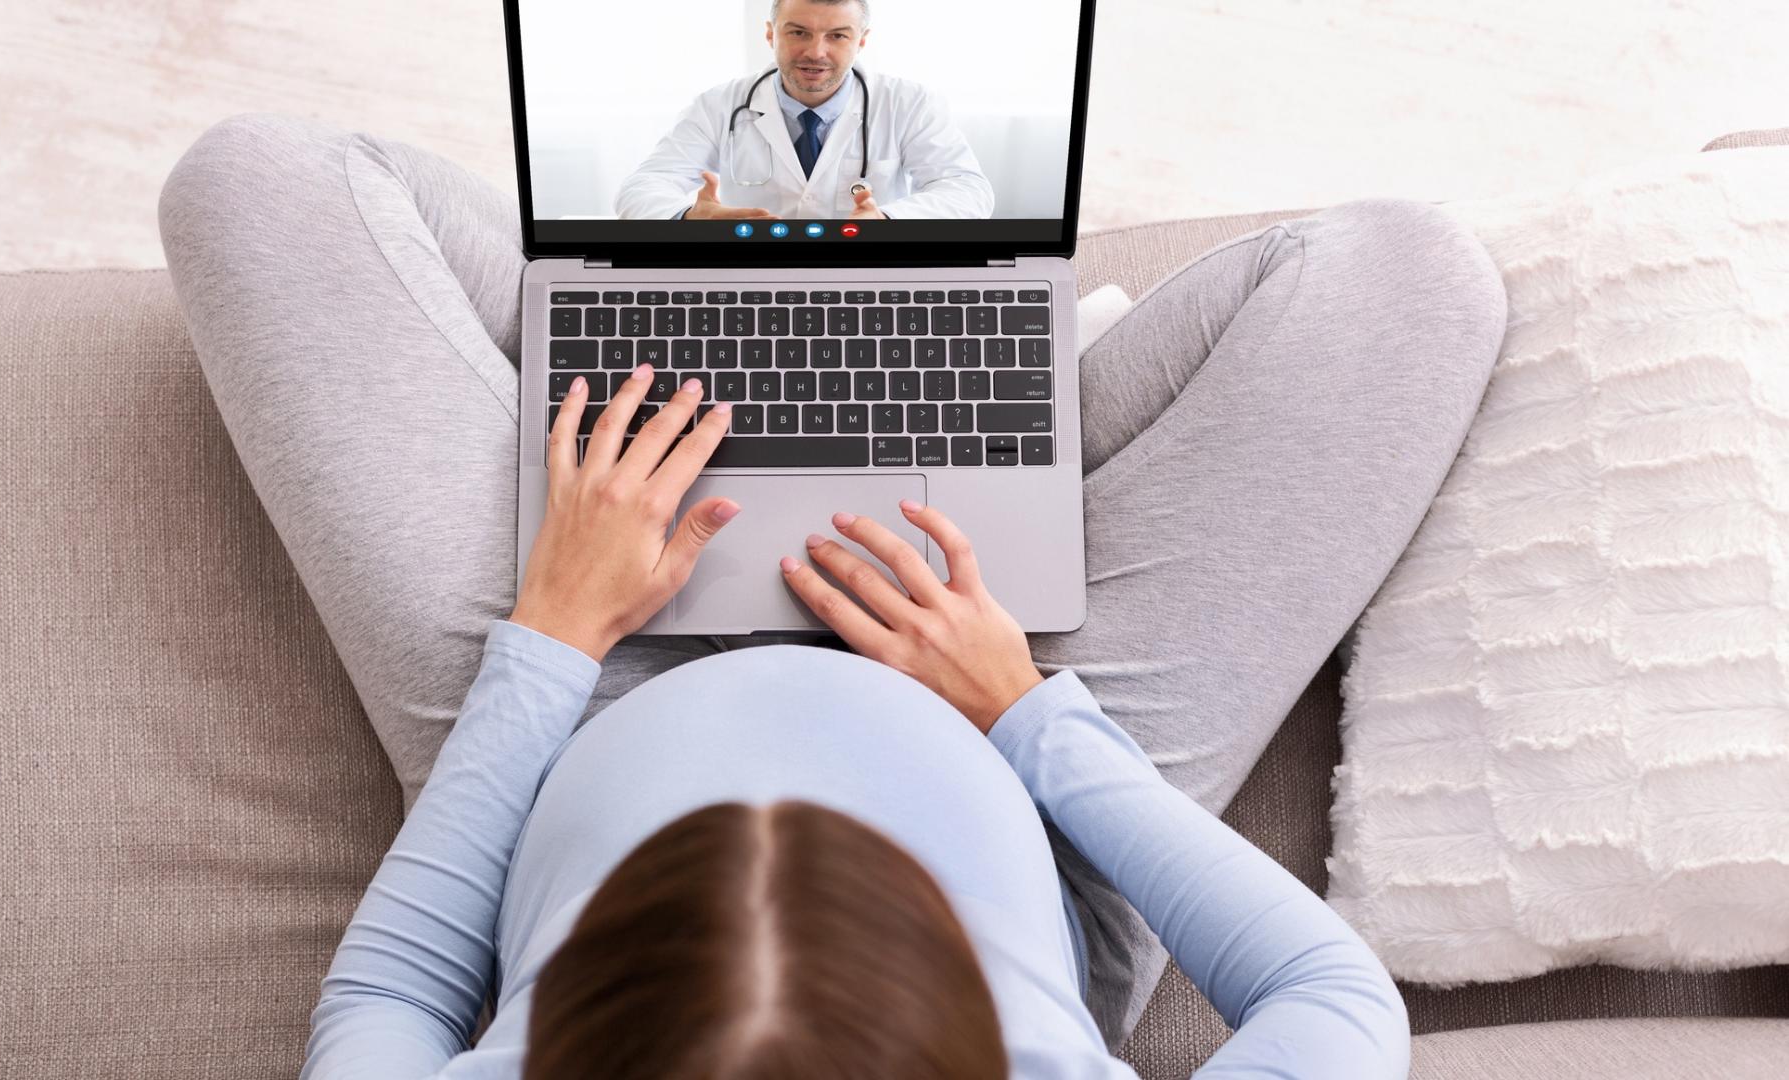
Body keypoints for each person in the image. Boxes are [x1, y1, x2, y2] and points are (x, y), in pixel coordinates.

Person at [156, 102, 1506, 1075]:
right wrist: (1027, 717)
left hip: (578, 701)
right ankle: (959, 399)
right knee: (1407, 282)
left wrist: (550, 635)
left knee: (259, 181)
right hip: (1006, 740)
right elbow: (1332, 996)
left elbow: (389, 994)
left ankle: (660, 344)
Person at [614, 0, 993, 221]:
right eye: (798, 32)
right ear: (770, 34)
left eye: (837, 36)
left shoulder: (909, 102)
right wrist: (689, 217)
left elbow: (969, 190)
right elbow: (639, 189)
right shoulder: (718, 103)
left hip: (871, 272)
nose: (816, 52)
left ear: (861, 40)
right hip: (751, 274)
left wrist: (888, 220)